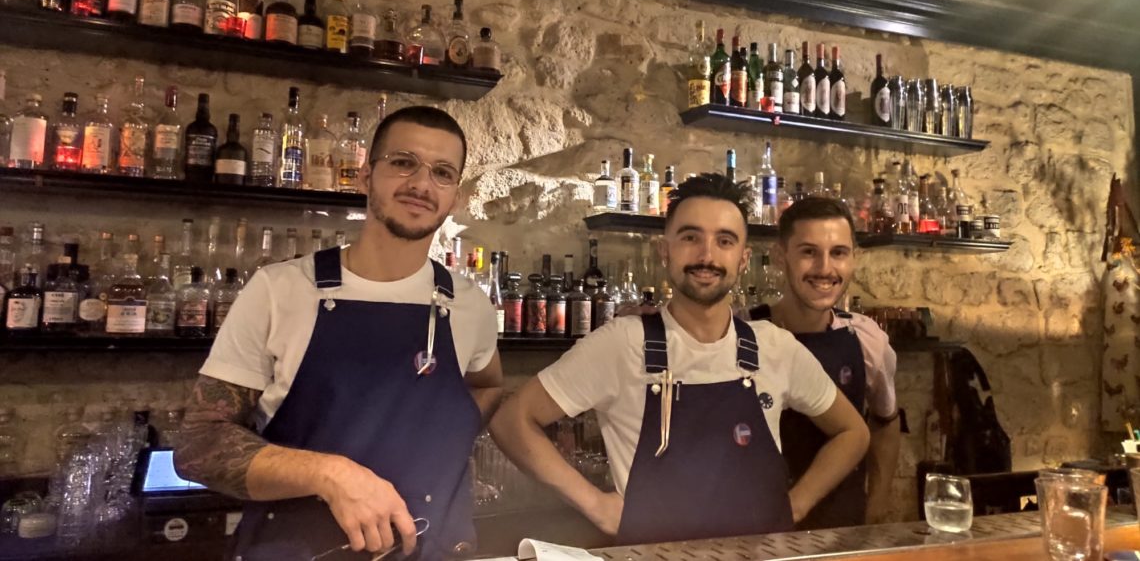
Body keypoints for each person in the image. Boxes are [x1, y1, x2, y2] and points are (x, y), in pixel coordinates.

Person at [174, 106, 503, 560]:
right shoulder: (281, 290)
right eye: (403, 162)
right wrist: (331, 474)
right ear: (366, 175)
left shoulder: (470, 307)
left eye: (442, 172)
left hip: (435, 547)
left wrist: (443, 440)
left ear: (456, 196)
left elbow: (489, 384)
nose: (421, 185)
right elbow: (198, 445)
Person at [490, 173, 869, 545]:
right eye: (691, 238)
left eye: (724, 241)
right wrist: (597, 506)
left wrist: (796, 506)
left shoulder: (775, 347)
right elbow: (512, 421)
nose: (707, 256)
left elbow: (854, 433)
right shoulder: (622, 344)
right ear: (664, 250)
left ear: (743, 259)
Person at [752, 196, 900, 528]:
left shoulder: (867, 339)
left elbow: (886, 422)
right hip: (755, 533)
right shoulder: (743, 334)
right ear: (780, 257)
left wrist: (877, 505)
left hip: (843, 532)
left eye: (838, 253)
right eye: (808, 252)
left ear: (854, 259)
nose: (824, 268)